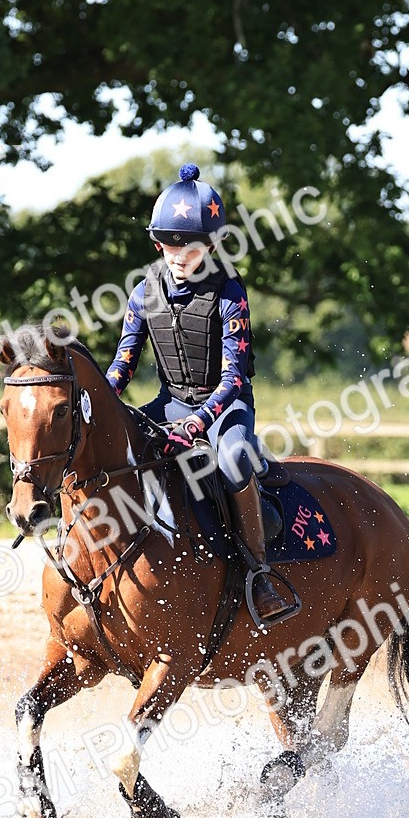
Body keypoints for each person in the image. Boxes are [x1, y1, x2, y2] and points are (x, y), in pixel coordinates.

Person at [105, 162, 291, 622]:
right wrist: (99, 400)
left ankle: (258, 574)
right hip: (169, 400)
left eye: (187, 245)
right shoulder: (144, 291)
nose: (176, 254)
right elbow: (124, 362)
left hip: (225, 406)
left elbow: (233, 378)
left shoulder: (230, 292)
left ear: (211, 244)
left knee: (232, 462)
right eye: (167, 244)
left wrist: (199, 422)